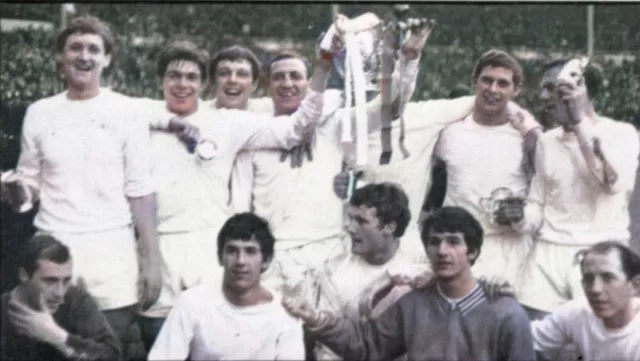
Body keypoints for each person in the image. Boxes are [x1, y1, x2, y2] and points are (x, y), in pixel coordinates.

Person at [136, 38, 331, 350]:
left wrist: (321, 71)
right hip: (161, 257)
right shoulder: (140, 119)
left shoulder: (229, 121)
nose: (183, 84)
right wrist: (168, 121)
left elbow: (295, 128)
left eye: (191, 77)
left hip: (209, 259)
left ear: (202, 83)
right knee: (160, 346)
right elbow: (120, 110)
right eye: (174, 76)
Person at [230, 14, 435, 296]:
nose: (287, 83)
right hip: (272, 259)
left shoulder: (335, 124)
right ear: (267, 85)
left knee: (330, 336)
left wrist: (409, 59)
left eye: (295, 76)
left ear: (310, 83)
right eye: (278, 77)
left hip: (328, 254)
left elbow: (388, 109)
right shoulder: (253, 135)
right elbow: (241, 208)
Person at [0, 16, 160, 357]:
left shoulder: (127, 111)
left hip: (111, 258)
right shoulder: (39, 112)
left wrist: (151, 261)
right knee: (49, 350)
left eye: (93, 49)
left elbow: (140, 191)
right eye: (75, 47)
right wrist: (15, 189)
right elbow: (27, 192)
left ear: (107, 58)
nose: (84, 56)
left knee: (105, 352)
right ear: (61, 56)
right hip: (52, 255)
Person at [282, 206, 535, 361]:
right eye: (435, 242)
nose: (442, 251)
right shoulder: (413, 305)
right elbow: (367, 346)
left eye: (453, 242)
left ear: (472, 251)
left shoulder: (505, 313)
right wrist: (317, 320)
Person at [498, 57, 640, 318]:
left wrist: (579, 121)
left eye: (552, 89)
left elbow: (611, 183)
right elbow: (538, 204)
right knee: (534, 342)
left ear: (581, 89)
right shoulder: (547, 142)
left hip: (601, 253)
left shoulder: (623, 133)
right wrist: (519, 217)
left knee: (598, 348)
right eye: (542, 89)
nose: (542, 97)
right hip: (547, 253)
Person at [428, 49, 541, 289]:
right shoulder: (448, 133)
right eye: (487, 80)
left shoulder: (526, 141)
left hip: (509, 254)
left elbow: (545, 201)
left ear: (515, 90)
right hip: (458, 250)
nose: (493, 89)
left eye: (503, 83)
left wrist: (521, 216)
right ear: (474, 83)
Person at [148, 213, 305, 361]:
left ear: (266, 260)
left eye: (250, 252)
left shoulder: (283, 313)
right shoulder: (192, 302)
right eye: (232, 251)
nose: (240, 261)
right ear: (220, 257)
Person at [311, 183, 426, 360]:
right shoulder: (333, 272)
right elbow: (327, 347)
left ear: (389, 227)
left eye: (361, 221)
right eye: (350, 218)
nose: (349, 227)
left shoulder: (417, 276)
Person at [1, 234, 121, 361]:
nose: (60, 293)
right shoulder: (3, 309)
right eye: (50, 281)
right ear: (24, 275)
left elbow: (113, 356)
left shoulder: (77, 300)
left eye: (66, 280)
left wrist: (57, 337)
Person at [531, 241, 640, 361]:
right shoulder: (578, 312)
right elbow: (524, 337)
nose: (595, 289)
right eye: (588, 279)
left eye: (608, 278)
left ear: (635, 286)